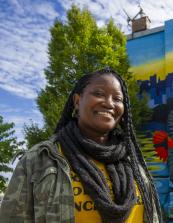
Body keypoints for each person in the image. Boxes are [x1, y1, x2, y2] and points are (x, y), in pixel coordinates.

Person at [0, 67, 162, 223]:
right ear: (77, 101)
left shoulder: (133, 160)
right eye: (99, 94)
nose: (109, 103)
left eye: (117, 99)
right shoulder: (40, 159)